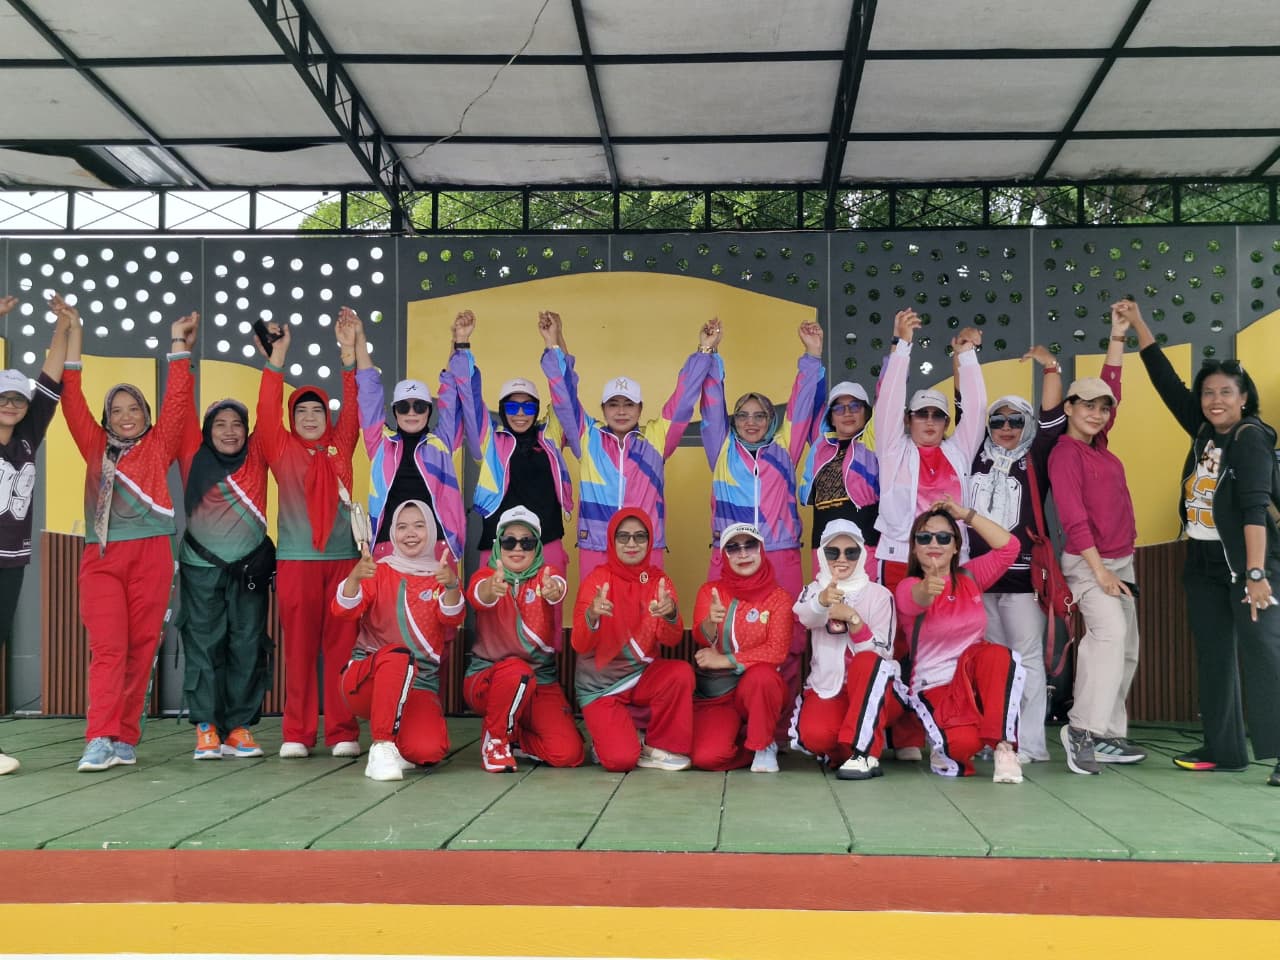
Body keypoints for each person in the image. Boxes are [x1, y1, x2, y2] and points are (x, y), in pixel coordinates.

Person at [1131, 301, 1280, 787]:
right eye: (1208, 393)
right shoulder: (1203, 431)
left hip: (1248, 564)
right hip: (1202, 561)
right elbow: (1168, 385)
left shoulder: (1251, 438)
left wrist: (1256, 574)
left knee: (1264, 655)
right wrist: (1138, 325)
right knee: (1215, 655)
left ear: (1244, 398)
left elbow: (1254, 509)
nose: (1215, 400)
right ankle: (1224, 748)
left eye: (1226, 392)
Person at [62, 305, 197, 772]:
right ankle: (98, 737)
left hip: (153, 553)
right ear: (106, 417)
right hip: (102, 557)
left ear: (145, 414)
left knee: (141, 649)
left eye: (133, 408)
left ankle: (123, 738)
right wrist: (74, 334)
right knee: (109, 649)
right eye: (116, 410)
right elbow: (71, 396)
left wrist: (178, 343)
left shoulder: (159, 444)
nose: (125, 417)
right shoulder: (94, 445)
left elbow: (177, 401)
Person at [698, 319, 825, 731]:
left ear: (771, 420)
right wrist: (710, 353)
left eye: (760, 415)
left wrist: (812, 356)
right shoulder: (721, 448)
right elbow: (710, 403)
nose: (751, 422)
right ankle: (730, 720)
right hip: (729, 553)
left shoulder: (785, 448)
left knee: (788, 637)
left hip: (780, 551)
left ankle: (779, 726)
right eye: (743, 415)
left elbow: (802, 405)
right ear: (733, 421)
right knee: (721, 630)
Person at [873, 309, 988, 760]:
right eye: (920, 414)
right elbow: (886, 401)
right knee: (894, 647)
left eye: (937, 415)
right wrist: (902, 345)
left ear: (945, 422)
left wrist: (968, 357)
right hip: (897, 560)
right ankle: (893, 734)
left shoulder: (959, 451)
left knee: (941, 650)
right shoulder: (892, 448)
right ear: (908, 419)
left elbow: (975, 410)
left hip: (949, 566)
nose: (928, 421)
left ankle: (933, 733)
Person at [1047, 302, 1146, 775]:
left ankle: (1106, 734)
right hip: (1091, 564)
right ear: (1068, 407)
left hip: (1120, 561)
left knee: (1125, 649)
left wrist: (1117, 335)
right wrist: (1101, 572)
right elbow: (1074, 520)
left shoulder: (1099, 445)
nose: (1098, 413)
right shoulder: (1065, 454)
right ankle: (1081, 730)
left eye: (1103, 407)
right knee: (1107, 637)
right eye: (1087, 405)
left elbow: (1113, 385)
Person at [257, 314, 361, 759]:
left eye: (318, 410)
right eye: (301, 410)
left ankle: (342, 731)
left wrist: (348, 356)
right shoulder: (280, 448)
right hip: (297, 562)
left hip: (343, 563)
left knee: (341, 651)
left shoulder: (341, 444)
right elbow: (265, 409)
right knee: (298, 652)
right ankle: (297, 732)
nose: (311, 417)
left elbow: (354, 407)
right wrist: (277, 358)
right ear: (291, 418)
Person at [543, 315, 718, 579]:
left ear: (640, 408)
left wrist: (704, 351)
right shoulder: (588, 437)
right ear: (603, 409)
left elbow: (683, 400)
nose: (621, 411)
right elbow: (565, 397)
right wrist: (552, 344)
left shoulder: (656, 438)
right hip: (597, 546)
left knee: (649, 607)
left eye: (629, 404)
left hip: (645, 547)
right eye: (613, 404)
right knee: (597, 607)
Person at [963, 346, 1065, 763]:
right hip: (979, 578)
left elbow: (1053, 418)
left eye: (1016, 420)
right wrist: (962, 354)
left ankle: (1030, 744)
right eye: (998, 421)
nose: (1006, 428)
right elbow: (965, 405)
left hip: (1024, 581)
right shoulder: (973, 455)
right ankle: (998, 740)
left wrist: (1051, 367)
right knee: (993, 663)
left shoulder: (1036, 456)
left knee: (1027, 661)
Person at [451, 310, 576, 645]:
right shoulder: (490, 440)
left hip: (547, 542)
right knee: (495, 623)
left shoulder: (551, 436)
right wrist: (462, 343)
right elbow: (469, 396)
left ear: (537, 410)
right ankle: (495, 674)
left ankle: (546, 674)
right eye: (512, 407)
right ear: (503, 410)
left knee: (547, 622)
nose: (520, 414)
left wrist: (554, 343)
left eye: (528, 407)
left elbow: (566, 394)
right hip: (497, 545)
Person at [893, 495, 1025, 783]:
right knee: (963, 748)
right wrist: (928, 589)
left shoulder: (970, 577)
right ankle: (949, 740)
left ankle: (1004, 747)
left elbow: (1010, 547)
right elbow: (916, 600)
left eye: (943, 537)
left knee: (999, 655)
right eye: (924, 537)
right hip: (935, 685)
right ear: (914, 548)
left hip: (972, 679)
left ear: (956, 547)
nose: (934, 544)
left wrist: (965, 515)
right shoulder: (908, 586)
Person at [332, 500, 465, 781]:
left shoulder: (442, 574)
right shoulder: (377, 570)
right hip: (366, 681)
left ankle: (397, 743)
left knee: (428, 751)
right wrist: (354, 577)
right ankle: (381, 746)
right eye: (402, 527)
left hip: (419, 685)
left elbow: (452, 617)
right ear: (393, 533)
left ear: (431, 531)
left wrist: (452, 585)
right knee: (398, 657)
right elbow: (343, 610)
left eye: (419, 526)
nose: (410, 533)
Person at [177, 391, 272, 761]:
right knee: (203, 645)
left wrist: (275, 364)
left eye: (237, 425)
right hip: (200, 569)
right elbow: (179, 403)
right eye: (220, 424)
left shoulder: (258, 454)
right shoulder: (191, 453)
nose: (230, 431)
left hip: (249, 570)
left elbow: (268, 405)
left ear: (248, 431)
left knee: (247, 646)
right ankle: (206, 727)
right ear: (206, 430)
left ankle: (238, 728)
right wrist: (180, 357)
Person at [0, 294, 72, 776]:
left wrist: (63, 326)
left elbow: (50, 378)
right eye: (3, 398)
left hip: (11, 559)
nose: (11, 405)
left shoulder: (29, 435)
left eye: (17, 399)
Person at [571, 508, 694, 772]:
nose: (631, 543)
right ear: (612, 541)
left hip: (641, 676)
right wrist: (592, 614)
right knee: (620, 760)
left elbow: (671, 640)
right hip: (601, 687)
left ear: (649, 542)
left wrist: (671, 614)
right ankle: (615, 739)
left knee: (680, 673)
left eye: (640, 536)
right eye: (623, 536)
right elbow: (579, 644)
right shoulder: (598, 580)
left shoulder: (658, 581)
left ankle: (655, 747)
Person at [464, 506, 584, 772]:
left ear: (537, 547)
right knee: (516, 671)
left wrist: (554, 590)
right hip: (489, 680)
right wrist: (491, 589)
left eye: (527, 542)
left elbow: (557, 588)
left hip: (540, 681)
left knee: (568, 753)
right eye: (509, 541)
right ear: (498, 544)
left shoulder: (546, 574)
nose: (517, 548)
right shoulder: (486, 576)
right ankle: (496, 741)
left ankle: (515, 739)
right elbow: (479, 595)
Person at [352, 308, 466, 563]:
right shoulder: (380, 444)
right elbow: (369, 392)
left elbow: (451, 393)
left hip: (437, 546)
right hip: (388, 546)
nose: (412, 412)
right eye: (404, 407)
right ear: (394, 412)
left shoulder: (442, 442)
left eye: (420, 406)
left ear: (429, 411)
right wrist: (359, 338)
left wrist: (457, 341)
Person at [791, 520, 898, 780]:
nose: (842, 559)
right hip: (829, 688)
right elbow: (803, 616)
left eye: (851, 552)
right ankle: (850, 747)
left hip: (876, 690)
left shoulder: (880, 595)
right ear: (822, 555)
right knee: (816, 737)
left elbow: (883, 653)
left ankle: (864, 753)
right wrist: (822, 602)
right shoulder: (814, 590)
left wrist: (853, 619)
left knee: (867, 661)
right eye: (833, 552)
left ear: (861, 554)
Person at [690, 524, 792, 773]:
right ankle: (748, 743)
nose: (743, 554)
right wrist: (710, 621)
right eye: (734, 548)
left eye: (750, 545)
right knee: (707, 758)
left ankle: (763, 744)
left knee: (763, 677)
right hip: (718, 695)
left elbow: (776, 651)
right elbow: (701, 638)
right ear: (724, 555)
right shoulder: (711, 591)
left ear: (762, 549)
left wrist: (725, 660)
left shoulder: (779, 598)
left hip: (758, 691)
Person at [799, 380, 880, 577]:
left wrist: (897, 359)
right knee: (826, 597)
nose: (847, 413)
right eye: (839, 408)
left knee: (865, 597)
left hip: (865, 546)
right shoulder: (820, 447)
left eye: (855, 406)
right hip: (823, 549)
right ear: (831, 418)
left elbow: (887, 393)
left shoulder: (872, 443)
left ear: (867, 413)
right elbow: (807, 398)